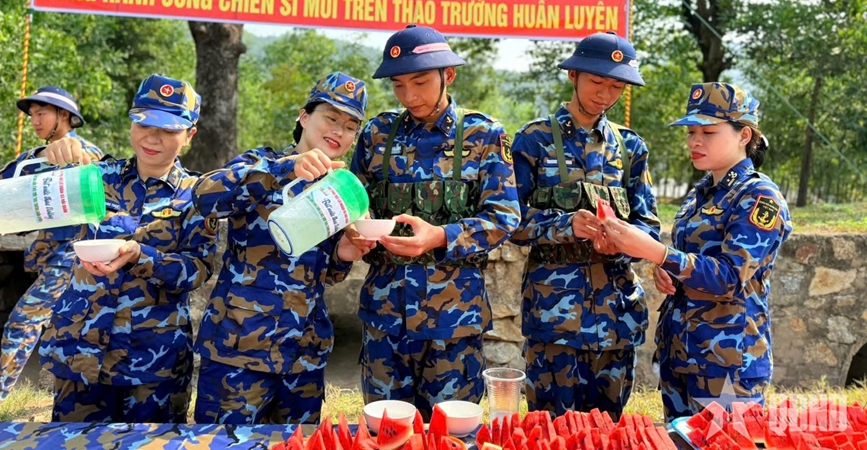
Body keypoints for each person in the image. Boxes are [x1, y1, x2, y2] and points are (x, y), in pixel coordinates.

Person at [350, 24, 521, 419]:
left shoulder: (484, 135)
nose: (409, 96)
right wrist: (356, 231)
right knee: (385, 430)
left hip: (454, 321)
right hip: (385, 318)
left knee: (452, 432)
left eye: (420, 82)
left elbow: (504, 216)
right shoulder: (377, 135)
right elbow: (355, 205)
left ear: (449, 75)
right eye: (398, 85)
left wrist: (441, 236)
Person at [600, 82, 792, 421]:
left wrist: (659, 254)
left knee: (724, 443)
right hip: (682, 355)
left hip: (728, 366)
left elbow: (730, 277)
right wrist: (666, 269)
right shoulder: (701, 193)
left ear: (744, 135)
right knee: (678, 441)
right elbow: (692, 259)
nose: (694, 141)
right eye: (691, 132)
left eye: (708, 132)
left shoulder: (759, 197)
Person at [192, 72, 373, 425]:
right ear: (304, 117)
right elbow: (203, 197)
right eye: (331, 118)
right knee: (223, 445)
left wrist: (344, 255)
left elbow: (325, 274)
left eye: (350, 126)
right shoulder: (263, 163)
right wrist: (285, 169)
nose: (339, 131)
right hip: (239, 350)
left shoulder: (340, 190)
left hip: (303, 356)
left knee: (297, 445)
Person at [37, 74, 217, 424]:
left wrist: (141, 256)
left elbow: (197, 268)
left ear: (189, 135)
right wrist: (44, 156)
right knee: (73, 444)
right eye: (144, 123)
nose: (152, 137)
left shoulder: (197, 195)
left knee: (149, 445)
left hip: (153, 360)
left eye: (168, 129)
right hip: (82, 350)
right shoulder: (93, 176)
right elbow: (14, 197)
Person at [510, 31, 661, 418]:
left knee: (608, 434)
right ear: (573, 75)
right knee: (550, 433)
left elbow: (648, 224)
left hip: (616, 320)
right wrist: (565, 225)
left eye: (617, 87)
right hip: (554, 321)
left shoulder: (630, 148)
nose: (605, 94)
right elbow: (511, 221)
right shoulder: (534, 140)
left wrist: (623, 242)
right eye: (597, 81)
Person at [0, 86, 102, 411]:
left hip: (75, 260)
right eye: (32, 115)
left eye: (42, 113)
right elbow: (4, 185)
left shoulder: (85, 153)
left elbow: (102, 183)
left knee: (22, 322)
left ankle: (0, 396)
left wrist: (69, 152)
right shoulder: (34, 157)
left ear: (64, 115)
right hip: (51, 260)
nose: (35, 121)